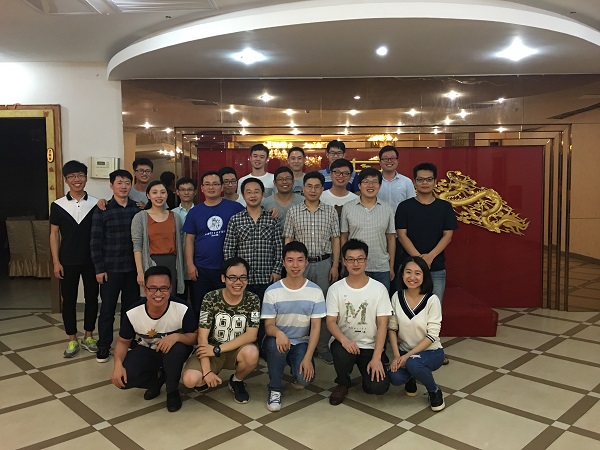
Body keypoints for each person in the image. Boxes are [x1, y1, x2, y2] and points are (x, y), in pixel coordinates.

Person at [111, 266, 196, 412]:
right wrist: (117, 365)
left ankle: (172, 391)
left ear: (170, 288)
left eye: (163, 288)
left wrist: (176, 337)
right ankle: (156, 380)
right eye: (153, 288)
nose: (158, 293)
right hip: (148, 350)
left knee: (176, 351)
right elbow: (123, 342)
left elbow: (195, 337)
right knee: (124, 379)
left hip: (174, 351)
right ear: (145, 289)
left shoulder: (182, 308)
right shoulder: (133, 312)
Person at [182, 257, 260, 404]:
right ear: (223, 278)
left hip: (235, 350)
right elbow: (202, 338)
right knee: (190, 380)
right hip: (210, 349)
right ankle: (208, 376)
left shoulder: (252, 299)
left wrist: (218, 349)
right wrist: (207, 371)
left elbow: (251, 335)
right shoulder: (211, 298)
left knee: (252, 353)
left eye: (243, 277)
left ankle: (237, 381)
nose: (238, 282)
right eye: (232, 277)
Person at [284, 171, 340, 364]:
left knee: (322, 307)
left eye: (317, 187)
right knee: (298, 305)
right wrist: (289, 265)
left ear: (322, 189)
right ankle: (299, 345)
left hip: (324, 264)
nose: (313, 190)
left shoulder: (330, 211)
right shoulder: (293, 212)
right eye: (309, 186)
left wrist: (335, 265)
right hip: (300, 266)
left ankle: (322, 346)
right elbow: (289, 239)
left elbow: (336, 239)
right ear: (303, 188)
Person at [261, 241, 325, 412]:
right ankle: (275, 389)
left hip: (301, 342)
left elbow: (316, 328)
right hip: (278, 341)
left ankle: (294, 364)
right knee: (276, 346)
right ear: (283, 263)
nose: (295, 265)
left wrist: (308, 358)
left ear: (306, 262)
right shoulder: (272, 291)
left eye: (299, 260)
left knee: (305, 379)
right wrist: (279, 333)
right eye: (290, 260)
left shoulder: (315, 291)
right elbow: (269, 326)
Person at [326, 239, 391, 405]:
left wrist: (377, 357)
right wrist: (344, 340)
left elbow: (383, 324)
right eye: (351, 259)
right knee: (341, 353)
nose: (356, 264)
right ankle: (343, 383)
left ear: (366, 260)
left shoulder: (379, 289)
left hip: (369, 345)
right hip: (345, 343)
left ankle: (368, 373)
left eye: (360, 259)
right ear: (344, 261)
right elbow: (331, 322)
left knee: (378, 388)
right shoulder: (335, 289)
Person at [50, 160, 99, 358]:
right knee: (68, 300)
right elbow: (54, 234)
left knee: (92, 298)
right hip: (67, 261)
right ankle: (72, 339)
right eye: (71, 176)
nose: (76, 179)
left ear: (86, 178)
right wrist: (56, 262)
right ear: (66, 180)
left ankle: (89, 336)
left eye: (80, 175)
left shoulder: (96, 204)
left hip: (92, 260)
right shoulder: (58, 205)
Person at [90, 169, 140, 363]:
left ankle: (128, 340)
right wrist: (99, 269)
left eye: (127, 183)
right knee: (107, 309)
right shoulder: (103, 209)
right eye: (119, 183)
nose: (124, 186)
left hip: (132, 268)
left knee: (130, 309)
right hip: (110, 269)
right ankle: (104, 344)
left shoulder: (137, 209)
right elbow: (95, 242)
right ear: (111, 185)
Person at [183, 171, 244, 320]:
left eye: (215, 184)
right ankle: (202, 334)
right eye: (207, 184)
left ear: (222, 187)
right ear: (202, 188)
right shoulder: (194, 212)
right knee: (201, 307)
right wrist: (190, 265)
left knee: (227, 307)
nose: (211, 187)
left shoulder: (235, 208)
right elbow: (189, 239)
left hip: (228, 268)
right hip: (201, 268)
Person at [388, 257, 445, 411]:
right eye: (408, 272)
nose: (412, 277)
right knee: (394, 376)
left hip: (431, 352)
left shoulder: (432, 300)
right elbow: (392, 328)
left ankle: (434, 390)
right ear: (402, 274)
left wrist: (407, 357)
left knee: (413, 363)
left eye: (417, 273)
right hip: (404, 351)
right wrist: (396, 356)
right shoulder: (396, 297)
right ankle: (411, 378)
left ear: (424, 276)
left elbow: (432, 335)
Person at [395, 162, 458, 303]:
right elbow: (402, 236)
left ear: (435, 182)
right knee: (405, 307)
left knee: (434, 307)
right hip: (409, 267)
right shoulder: (404, 207)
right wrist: (420, 260)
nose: (425, 183)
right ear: (414, 182)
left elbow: (448, 236)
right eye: (420, 179)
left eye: (429, 179)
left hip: (436, 267)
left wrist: (430, 257)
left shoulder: (445, 207)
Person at [224, 177, 283, 302]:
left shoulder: (272, 219)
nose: (253, 195)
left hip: (267, 277)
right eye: (249, 192)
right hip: (242, 280)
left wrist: (277, 271)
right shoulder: (235, 220)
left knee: (266, 310)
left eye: (256, 192)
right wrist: (233, 275)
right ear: (243, 195)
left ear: (262, 194)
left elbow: (279, 248)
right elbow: (229, 249)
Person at [341, 168, 396, 291]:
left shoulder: (387, 208)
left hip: (381, 267)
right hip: (354, 266)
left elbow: (391, 238)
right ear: (359, 186)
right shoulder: (348, 207)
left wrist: (391, 266)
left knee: (381, 301)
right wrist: (344, 264)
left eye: (374, 182)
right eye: (366, 182)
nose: (370, 185)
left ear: (379, 186)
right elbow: (344, 236)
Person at [131, 180, 185, 295]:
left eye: (162, 192)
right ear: (148, 195)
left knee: (170, 297)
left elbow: (180, 243)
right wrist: (140, 271)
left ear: (167, 194)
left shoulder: (175, 217)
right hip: (151, 263)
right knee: (153, 297)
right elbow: (137, 246)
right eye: (155, 192)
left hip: (172, 264)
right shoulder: (140, 217)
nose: (159, 196)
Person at [172, 176, 197, 303]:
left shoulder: (200, 211)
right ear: (177, 192)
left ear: (195, 192)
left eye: (189, 189)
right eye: (182, 190)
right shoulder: (172, 214)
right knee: (179, 298)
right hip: (178, 260)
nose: (186, 193)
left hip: (196, 259)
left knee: (196, 297)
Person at [262, 166, 304, 233]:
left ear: (293, 181)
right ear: (275, 183)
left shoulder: (302, 201)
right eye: (280, 179)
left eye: (288, 178)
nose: (284, 182)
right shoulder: (266, 203)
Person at [377, 146, 415, 211]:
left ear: (397, 161)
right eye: (385, 158)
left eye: (392, 158)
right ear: (380, 162)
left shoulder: (407, 182)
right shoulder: (374, 182)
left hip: (400, 217)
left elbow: (412, 204)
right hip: (378, 216)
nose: (389, 161)